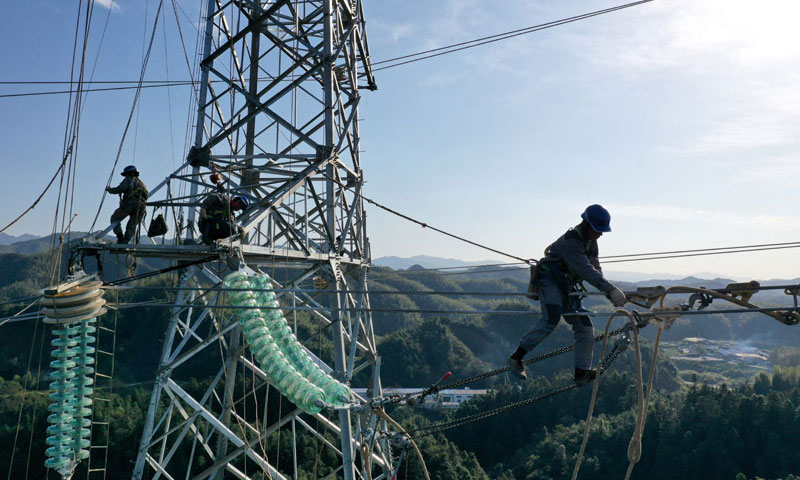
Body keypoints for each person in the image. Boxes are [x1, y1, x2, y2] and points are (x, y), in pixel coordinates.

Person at [507, 204, 627, 384]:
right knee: (551, 319)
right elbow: (585, 269)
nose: (601, 234)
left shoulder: (591, 243)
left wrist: (609, 292)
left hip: (567, 285)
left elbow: (595, 268)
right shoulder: (571, 241)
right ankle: (516, 358)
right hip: (550, 282)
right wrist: (609, 289)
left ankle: (582, 372)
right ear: (587, 225)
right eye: (598, 230)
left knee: (585, 326)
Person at [198, 179, 249, 244]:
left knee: (236, 230)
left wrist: (241, 230)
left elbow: (233, 226)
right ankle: (207, 238)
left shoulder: (231, 214)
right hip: (206, 224)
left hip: (214, 228)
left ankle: (221, 243)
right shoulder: (225, 200)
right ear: (235, 199)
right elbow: (212, 197)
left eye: (241, 207)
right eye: (239, 204)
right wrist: (203, 209)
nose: (239, 207)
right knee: (230, 228)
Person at [106, 165, 148, 244]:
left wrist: (110, 190)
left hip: (129, 205)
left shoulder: (129, 179)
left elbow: (121, 188)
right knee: (132, 226)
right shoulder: (142, 184)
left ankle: (120, 237)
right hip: (141, 208)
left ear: (129, 173)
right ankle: (125, 241)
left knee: (114, 218)